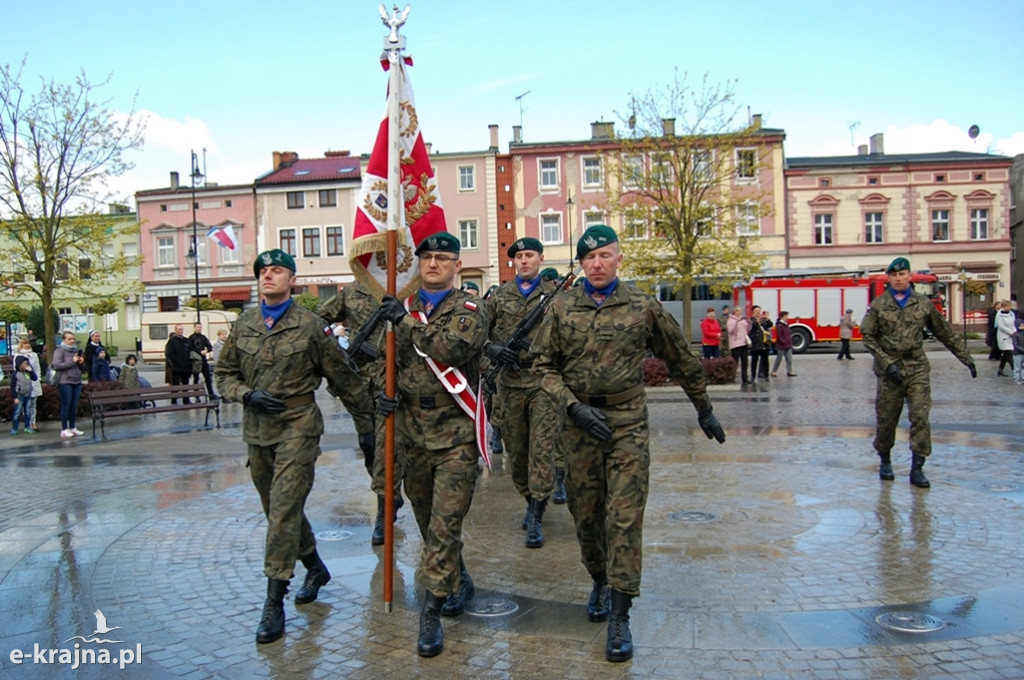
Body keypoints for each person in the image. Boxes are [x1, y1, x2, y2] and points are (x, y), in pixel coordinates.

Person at [532, 225, 726, 663]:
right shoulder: (561, 307)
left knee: (623, 517)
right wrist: (571, 407)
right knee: (587, 518)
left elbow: (679, 357)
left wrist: (704, 407)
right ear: (580, 264)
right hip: (580, 423)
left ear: (619, 258)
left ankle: (620, 613)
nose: (597, 264)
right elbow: (542, 366)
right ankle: (599, 577)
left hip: (627, 425)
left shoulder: (642, 306)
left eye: (604, 255)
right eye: (589, 258)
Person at [215, 249, 375, 645]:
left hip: (298, 427)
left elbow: (343, 377)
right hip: (257, 430)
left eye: (277, 271)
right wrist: (245, 394)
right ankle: (315, 567)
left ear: (293, 281)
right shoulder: (245, 323)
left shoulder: (310, 326)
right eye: (263, 271)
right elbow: (224, 373)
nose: (268, 276)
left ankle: (274, 599)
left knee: (284, 507)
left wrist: (369, 424)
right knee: (277, 510)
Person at [375, 231, 489, 658]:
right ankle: (457, 576)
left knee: (444, 527)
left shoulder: (471, 309)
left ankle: (431, 613)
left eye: (443, 257)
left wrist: (402, 323)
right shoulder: (402, 309)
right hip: (412, 437)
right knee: (428, 524)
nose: (434, 263)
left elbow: (451, 348)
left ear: (458, 265)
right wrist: (381, 394)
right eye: (427, 257)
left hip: (455, 437)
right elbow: (381, 362)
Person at [860, 256, 977, 488]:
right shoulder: (879, 305)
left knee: (920, 417)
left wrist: (967, 358)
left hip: (916, 368)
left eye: (902, 274)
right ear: (889, 278)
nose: (898, 279)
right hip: (889, 371)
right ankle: (885, 460)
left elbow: (944, 332)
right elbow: (868, 336)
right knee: (886, 419)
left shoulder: (923, 303)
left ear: (909, 276)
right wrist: (886, 363)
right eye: (893, 275)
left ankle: (918, 467)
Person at [485, 237, 563, 549]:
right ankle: (530, 499)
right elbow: (479, 335)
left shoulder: (555, 296)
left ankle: (537, 513)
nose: (524, 260)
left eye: (529, 255)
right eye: (519, 256)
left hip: (543, 382)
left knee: (541, 449)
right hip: (509, 382)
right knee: (518, 455)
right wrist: (493, 350)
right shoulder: (499, 296)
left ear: (541, 259)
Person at [318, 279, 402, 547]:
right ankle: (390, 494)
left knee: (384, 449)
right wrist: (335, 351)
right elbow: (316, 322)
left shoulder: (403, 287)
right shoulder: (352, 292)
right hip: (358, 383)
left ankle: (384, 511)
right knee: (367, 444)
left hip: (391, 379)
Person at [51, 331, 86, 438]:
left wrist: (81, 362)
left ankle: (73, 427)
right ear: (64, 340)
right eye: (69, 339)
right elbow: (57, 365)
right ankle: (64, 429)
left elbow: (83, 369)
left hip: (76, 381)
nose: (72, 341)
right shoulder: (59, 351)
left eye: (73, 339)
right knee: (66, 405)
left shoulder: (76, 350)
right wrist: (72, 361)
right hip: (65, 381)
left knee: (74, 406)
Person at [14, 337, 43, 430]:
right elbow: (16, 370)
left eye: (28, 343)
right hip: (24, 383)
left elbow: (37, 368)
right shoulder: (17, 355)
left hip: (34, 382)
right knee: (26, 405)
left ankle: (33, 423)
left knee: (33, 404)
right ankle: (28, 423)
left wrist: (37, 378)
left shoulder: (34, 355)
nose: (27, 345)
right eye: (24, 344)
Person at [10, 355, 37, 435]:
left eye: (27, 363)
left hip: (28, 394)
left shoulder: (28, 372)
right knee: (17, 413)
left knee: (27, 412)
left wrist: (31, 371)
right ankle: (15, 428)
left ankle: (27, 427)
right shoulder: (15, 374)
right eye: (24, 363)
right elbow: (12, 386)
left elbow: (35, 378)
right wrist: (15, 397)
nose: (26, 365)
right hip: (19, 396)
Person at [165, 324, 192, 404]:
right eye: (179, 329)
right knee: (175, 384)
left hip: (186, 367)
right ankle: (174, 400)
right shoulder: (172, 341)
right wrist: (175, 361)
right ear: (175, 330)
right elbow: (169, 353)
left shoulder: (186, 341)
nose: (180, 331)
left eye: (181, 329)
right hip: (176, 367)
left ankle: (186, 400)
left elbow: (190, 352)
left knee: (185, 384)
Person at [188, 322, 216, 398]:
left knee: (207, 377)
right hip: (195, 361)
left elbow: (210, 347)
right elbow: (190, 348)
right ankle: (196, 395)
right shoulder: (191, 338)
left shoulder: (203, 337)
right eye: (197, 327)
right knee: (196, 378)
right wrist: (199, 352)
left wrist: (206, 351)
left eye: (200, 327)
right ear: (194, 328)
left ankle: (211, 393)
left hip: (203, 360)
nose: (199, 329)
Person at [727, 305, 751, 384]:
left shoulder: (743, 320)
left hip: (743, 342)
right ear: (734, 312)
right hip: (735, 344)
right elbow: (730, 331)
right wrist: (736, 322)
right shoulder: (731, 320)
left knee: (745, 361)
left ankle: (745, 378)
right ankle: (732, 377)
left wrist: (749, 322)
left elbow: (747, 330)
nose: (739, 312)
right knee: (735, 362)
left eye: (740, 311)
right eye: (737, 311)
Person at [770, 311, 796, 377]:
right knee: (779, 358)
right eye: (786, 316)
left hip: (788, 344)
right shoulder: (779, 325)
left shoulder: (785, 324)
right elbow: (779, 336)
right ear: (782, 317)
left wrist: (789, 341)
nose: (787, 317)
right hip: (782, 345)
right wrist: (784, 341)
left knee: (789, 358)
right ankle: (774, 371)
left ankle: (789, 371)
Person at [994, 300, 1016, 377]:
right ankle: (1016, 370)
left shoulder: (1011, 314)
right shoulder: (999, 315)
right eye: (1007, 306)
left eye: (1010, 306)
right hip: (1003, 337)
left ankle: (1000, 370)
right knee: (1009, 353)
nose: (1009, 308)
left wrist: (1014, 331)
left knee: (1006, 355)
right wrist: (1010, 332)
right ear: (1003, 307)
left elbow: (1014, 323)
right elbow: (1001, 326)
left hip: (1010, 336)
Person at [1012, 320, 1024, 385]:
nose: (1022, 327)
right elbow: (1015, 345)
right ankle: (1016, 379)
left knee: (1023, 366)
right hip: (1017, 353)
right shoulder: (1015, 334)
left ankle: (1022, 378)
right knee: (1017, 367)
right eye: (1021, 325)